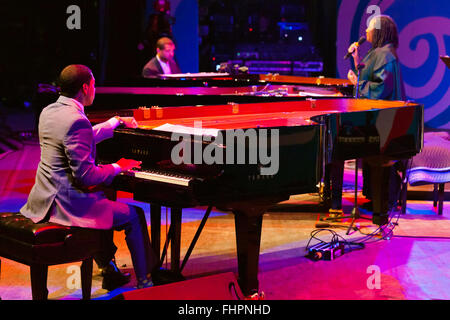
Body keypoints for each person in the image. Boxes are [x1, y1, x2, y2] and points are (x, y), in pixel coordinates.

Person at [20, 64, 158, 290]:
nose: (95, 90)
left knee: (104, 202)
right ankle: (146, 281)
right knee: (133, 215)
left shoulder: (50, 111)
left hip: (44, 199)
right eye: (94, 85)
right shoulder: (77, 120)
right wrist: (118, 166)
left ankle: (108, 270)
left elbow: (79, 138)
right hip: (68, 205)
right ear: (85, 87)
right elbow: (86, 176)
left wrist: (114, 122)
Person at [346, 15, 406, 217]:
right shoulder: (380, 53)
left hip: (385, 121)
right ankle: (376, 200)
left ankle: (383, 202)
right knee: (373, 158)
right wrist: (356, 59)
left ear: (379, 32)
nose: (366, 32)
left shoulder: (385, 55)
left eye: (369, 28)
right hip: (380, 119)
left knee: (380, 160)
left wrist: (357, 83)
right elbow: (370, 77)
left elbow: (380, 89)